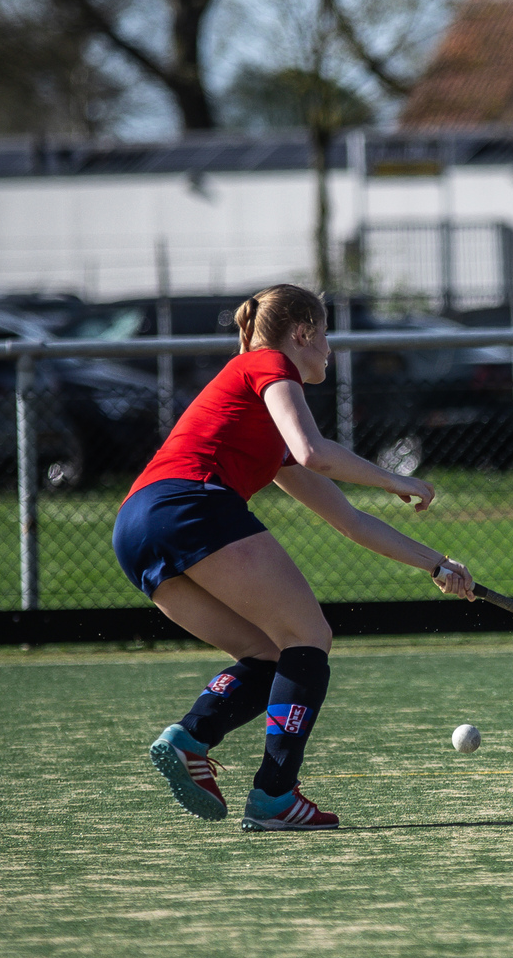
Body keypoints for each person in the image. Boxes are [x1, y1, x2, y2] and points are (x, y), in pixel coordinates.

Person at [112, 283, 474, 833]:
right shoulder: (265, 362)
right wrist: (396, 479)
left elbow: (349, 521)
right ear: (301, 333)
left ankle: (189, 737)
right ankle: (275, 794)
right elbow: (315, 451)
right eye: (325, 335)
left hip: (137, 529)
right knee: (309, 637)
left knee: (267, 653)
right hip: (190, 506)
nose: (329, 349)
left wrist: (436, 564)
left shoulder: (260, 426)